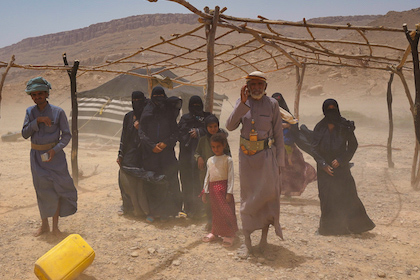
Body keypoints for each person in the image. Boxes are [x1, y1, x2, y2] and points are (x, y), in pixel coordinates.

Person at [225, 71, 285, 258]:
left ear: (265, 87)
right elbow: (229, 125)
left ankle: (264, 241)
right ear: (247, 87)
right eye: (253, 85)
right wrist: (242, 104)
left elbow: (278, 135)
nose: (256, 88)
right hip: (247, 159)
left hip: (267, 158)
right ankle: (248, 242)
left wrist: (280, 162)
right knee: (248, 199)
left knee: (267, 197)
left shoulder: (273, 105)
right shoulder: (241, 103)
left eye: (260, 84)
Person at [21, 77, 77, 237]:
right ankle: (44, 225)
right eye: (34, 94)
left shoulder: (58, 112)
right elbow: (25, 134)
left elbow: (66, 135)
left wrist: (55, 150)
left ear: (46, 94)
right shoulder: (29, 112)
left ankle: (55, 227)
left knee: (57, 189)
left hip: (56, 158)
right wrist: (36, 121)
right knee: (42, 190)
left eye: (40, 93)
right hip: (37, 158)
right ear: (31, 96)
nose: (37, 96)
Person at [311, 98, 375, 235]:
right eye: (328, 110)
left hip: (341, 167)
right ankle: (329, 228)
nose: (331, 112)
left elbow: (353, 145)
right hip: (324, 169)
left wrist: (341, 159)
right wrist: (322, 164)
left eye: (333, 109)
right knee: (326, 197)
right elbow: (314, 148)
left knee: (347, 194)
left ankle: (356, 226)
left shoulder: (345, 126)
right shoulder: (319, 127)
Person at [139, 86, 182, 220]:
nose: (159, 99)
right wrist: (152, 146)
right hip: (151, 154)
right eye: (156, 96)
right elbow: (142, 132)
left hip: (167, 153)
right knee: (153, 181)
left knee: (171, 179)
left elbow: (175, 132)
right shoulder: (146, 112)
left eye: (161, 96)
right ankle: (154, 211)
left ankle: (174, 210)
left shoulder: (168, 113)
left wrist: (165, 143)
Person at [272, 93, 316, 197]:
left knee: (294, 168)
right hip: (275, 146)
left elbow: (294, 124)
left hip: (288, 146)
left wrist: (289, 125)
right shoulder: (270, 115)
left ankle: (289, 191)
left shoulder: (287, 115)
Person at [201, 133, 238, 247]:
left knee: (226, 212)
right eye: (213, 147)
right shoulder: (210, 160)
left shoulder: (228, 160)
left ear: (224, 145)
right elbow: (208, 176)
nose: (216, 149)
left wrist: (229, 192)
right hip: (213, 190)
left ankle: (230, 234)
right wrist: (204, 191)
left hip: (224, 190)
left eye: (218, 146)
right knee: (216, 213)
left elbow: (231, 177)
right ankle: (215, 232)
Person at [195, 114, 231, 229]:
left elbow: (228, 154)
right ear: (206, 127)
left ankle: (222, 221)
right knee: (208, 198)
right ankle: (210, 221)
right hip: (206, 174)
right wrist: (199, 158)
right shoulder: (202, 140)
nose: (213, 129)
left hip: (220, 175)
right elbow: (196, 152)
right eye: (210, 127)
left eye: (215, 126)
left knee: (221, 198)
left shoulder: (222, 140)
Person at [116, 91, 149, 217]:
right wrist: (120, 154)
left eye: (139, 99)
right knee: (124, 181)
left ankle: (143, 209)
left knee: (142, 184)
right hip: (129, 154)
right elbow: (124, 136)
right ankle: (127, 207)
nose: (137, 102)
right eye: (134, 99)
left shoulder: (147, 116)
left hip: (144, 154)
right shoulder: (128, 117)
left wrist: (140, 128)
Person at [178, 95, 210, 218]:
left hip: (203, 156)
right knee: (187, 182)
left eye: (198, 104)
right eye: (193, 105)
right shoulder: (185, 118)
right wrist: (190, 134)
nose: (196, 107)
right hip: (186, 156)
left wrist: (200, 132)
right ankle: (189, 208)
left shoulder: (207, 117)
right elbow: (180, 133)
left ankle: (202, 209)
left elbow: (214, 129)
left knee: (201, 182)